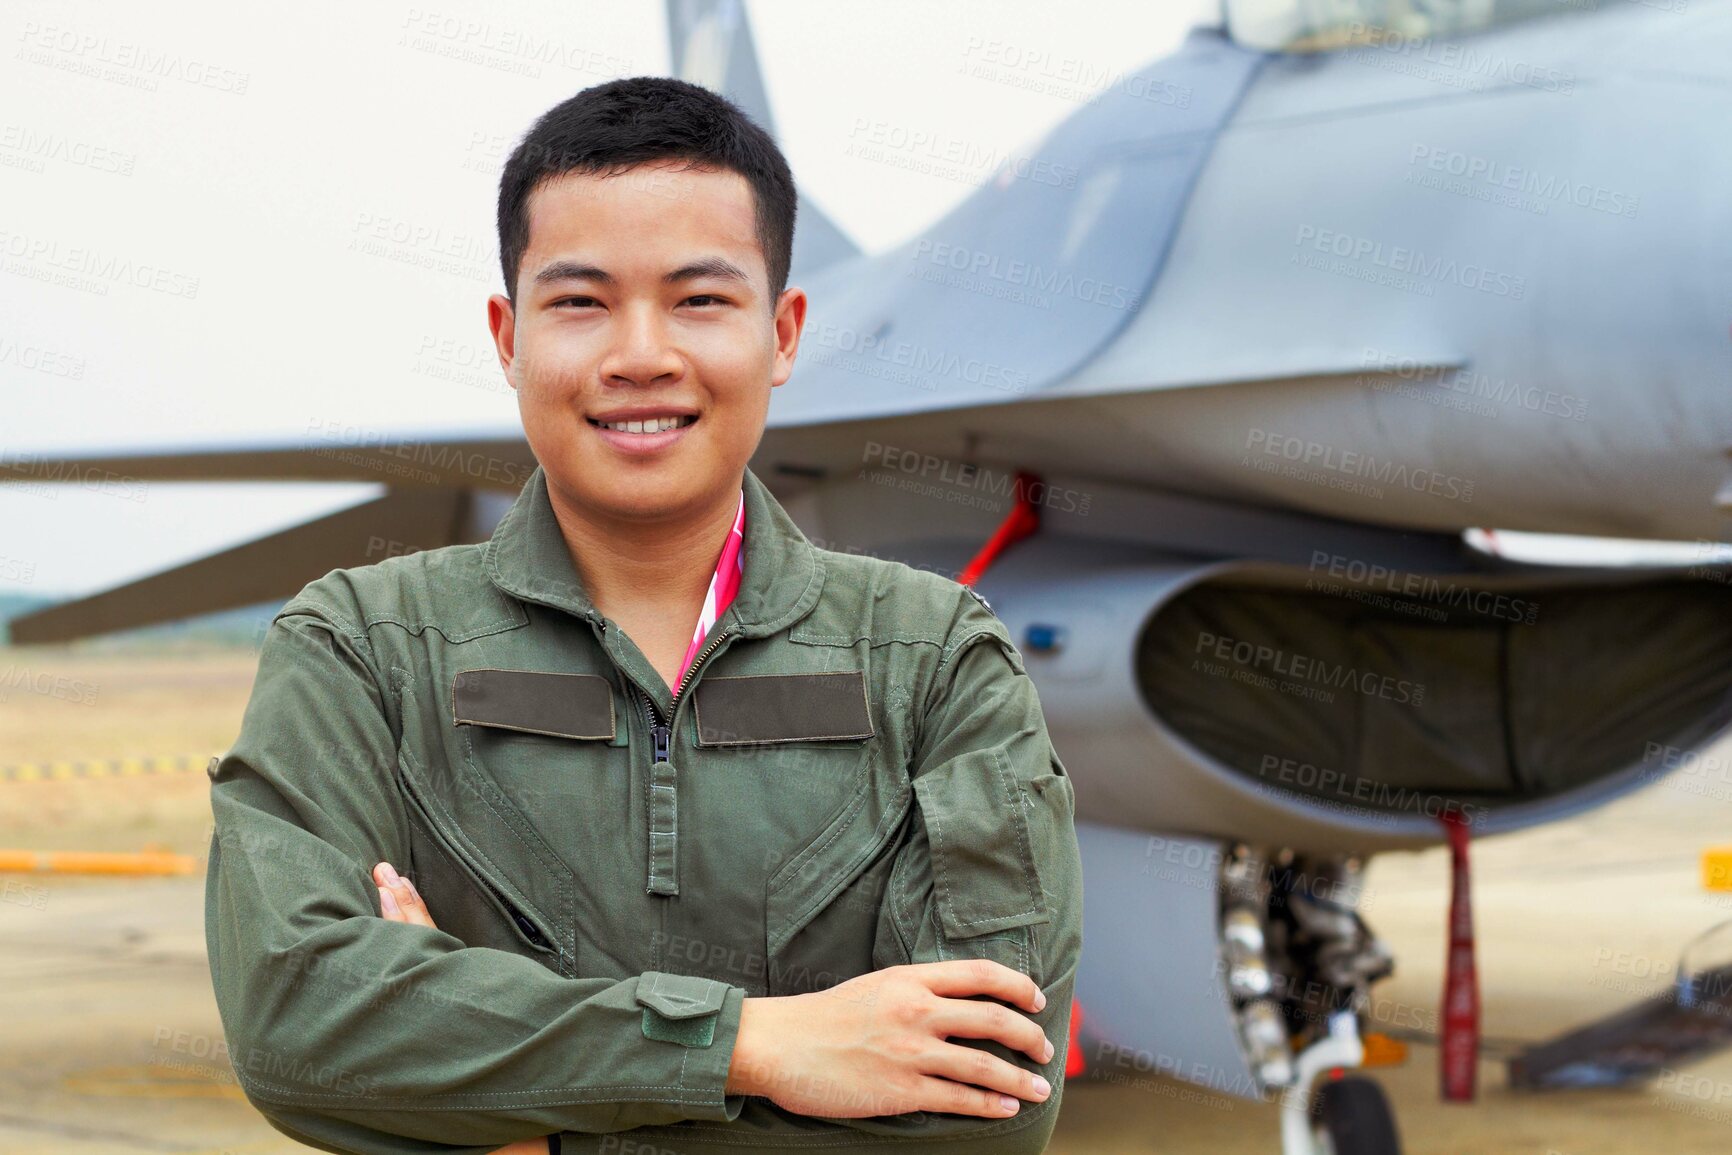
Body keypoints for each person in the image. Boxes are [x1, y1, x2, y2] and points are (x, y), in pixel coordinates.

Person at [204, 76, 1083, 1155]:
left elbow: (987, 1110)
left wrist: (514, 1125)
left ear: (785, 331)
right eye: (579, 301)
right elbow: (302, 1022)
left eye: (700, 300)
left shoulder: (934, 661)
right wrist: (754, 1046)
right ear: (507, 334)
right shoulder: (362, 649)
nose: (640, 355)